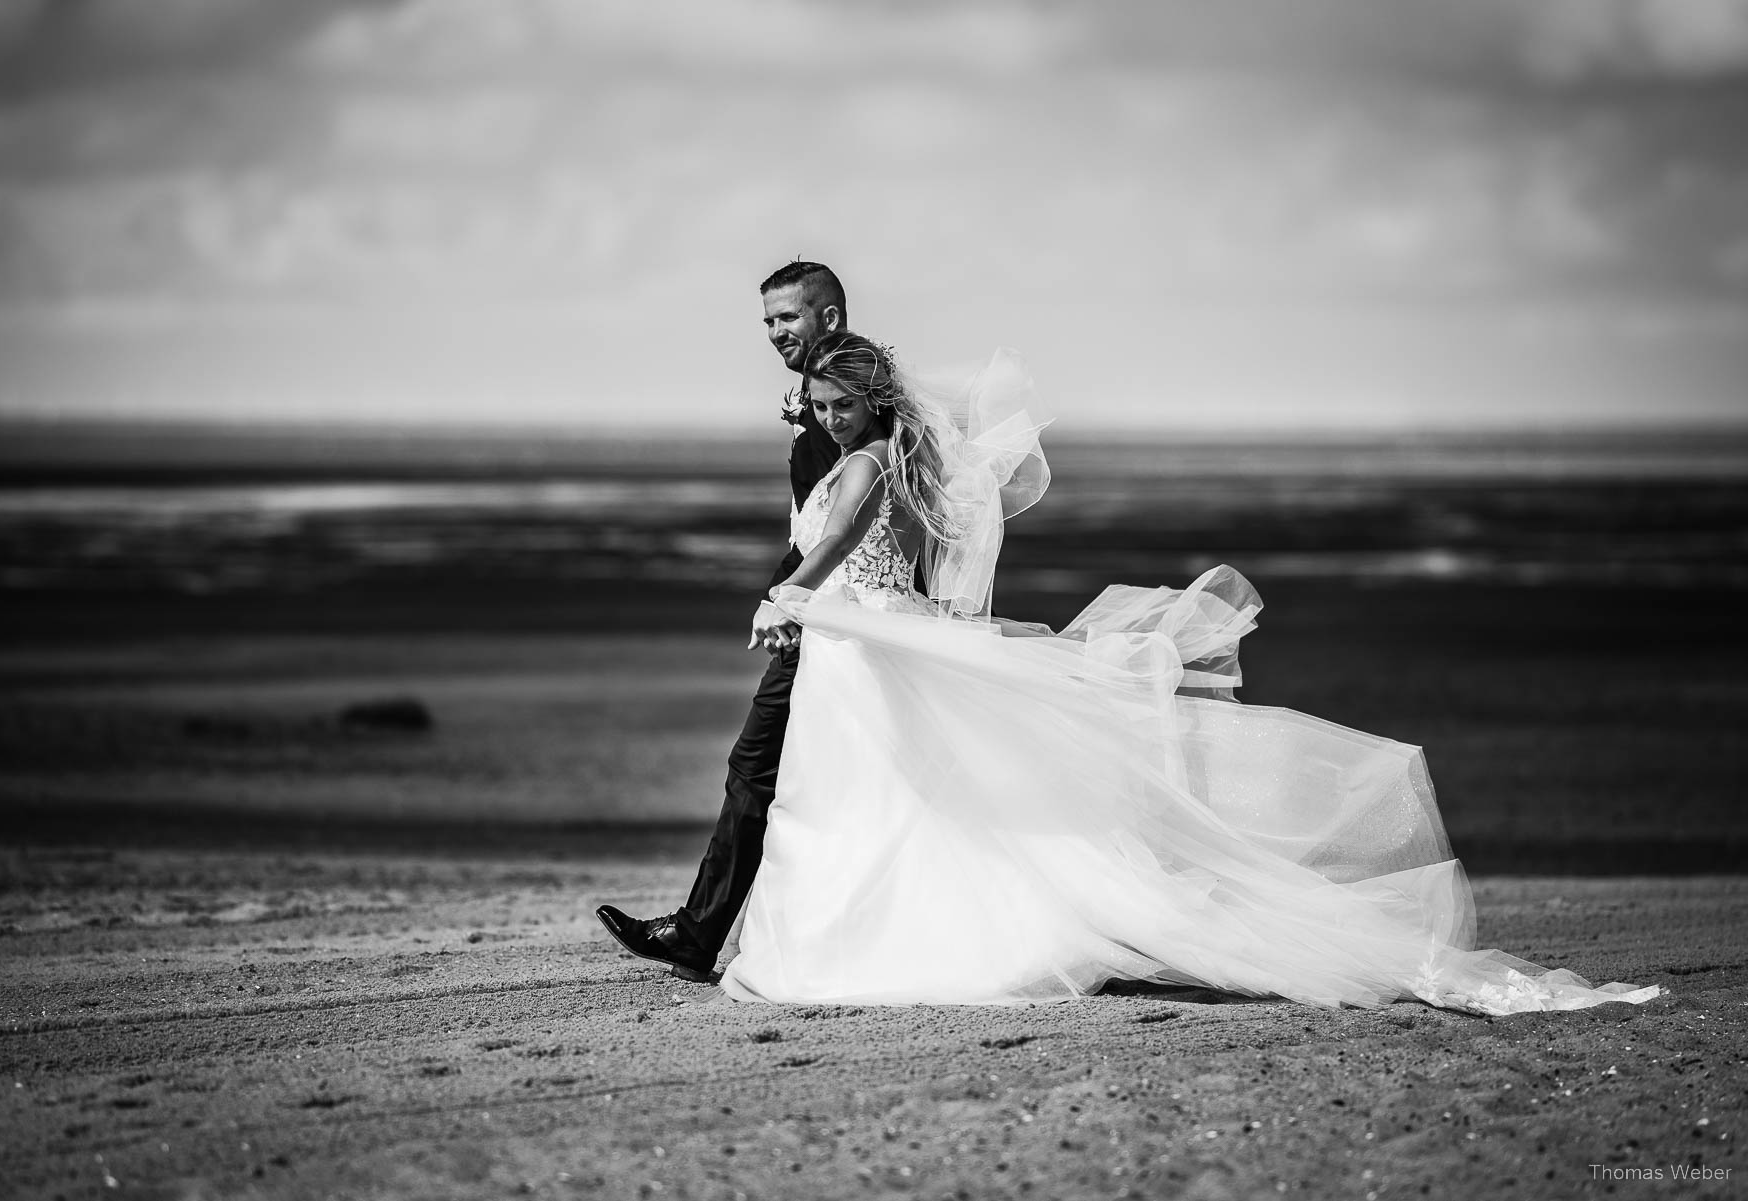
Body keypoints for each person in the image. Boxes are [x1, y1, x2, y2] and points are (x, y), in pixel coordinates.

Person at [712, 331, 1661, 1015]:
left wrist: (783, 598)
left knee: (879, 799)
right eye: (822, 407)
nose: (831, 421)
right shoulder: (876, 461)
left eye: (844, 406)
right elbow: (896, 564)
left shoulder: (871, 466)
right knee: (871, 800)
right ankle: (858, 931)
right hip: (857, 643)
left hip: (854, 639)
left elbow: (834, 545)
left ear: (874, 403)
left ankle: (872, 942)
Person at [594, 261, 848, 982]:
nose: (773, 333)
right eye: (766, 321)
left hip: (832, 620)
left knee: (755, 772)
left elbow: (845, 530)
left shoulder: (852, 403)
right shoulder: (828, 395)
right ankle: (704, 930)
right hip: (827, 614)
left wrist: (790, 599)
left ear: (828, 317)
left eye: (787, 318)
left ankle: (697, 933)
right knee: (810, 777)